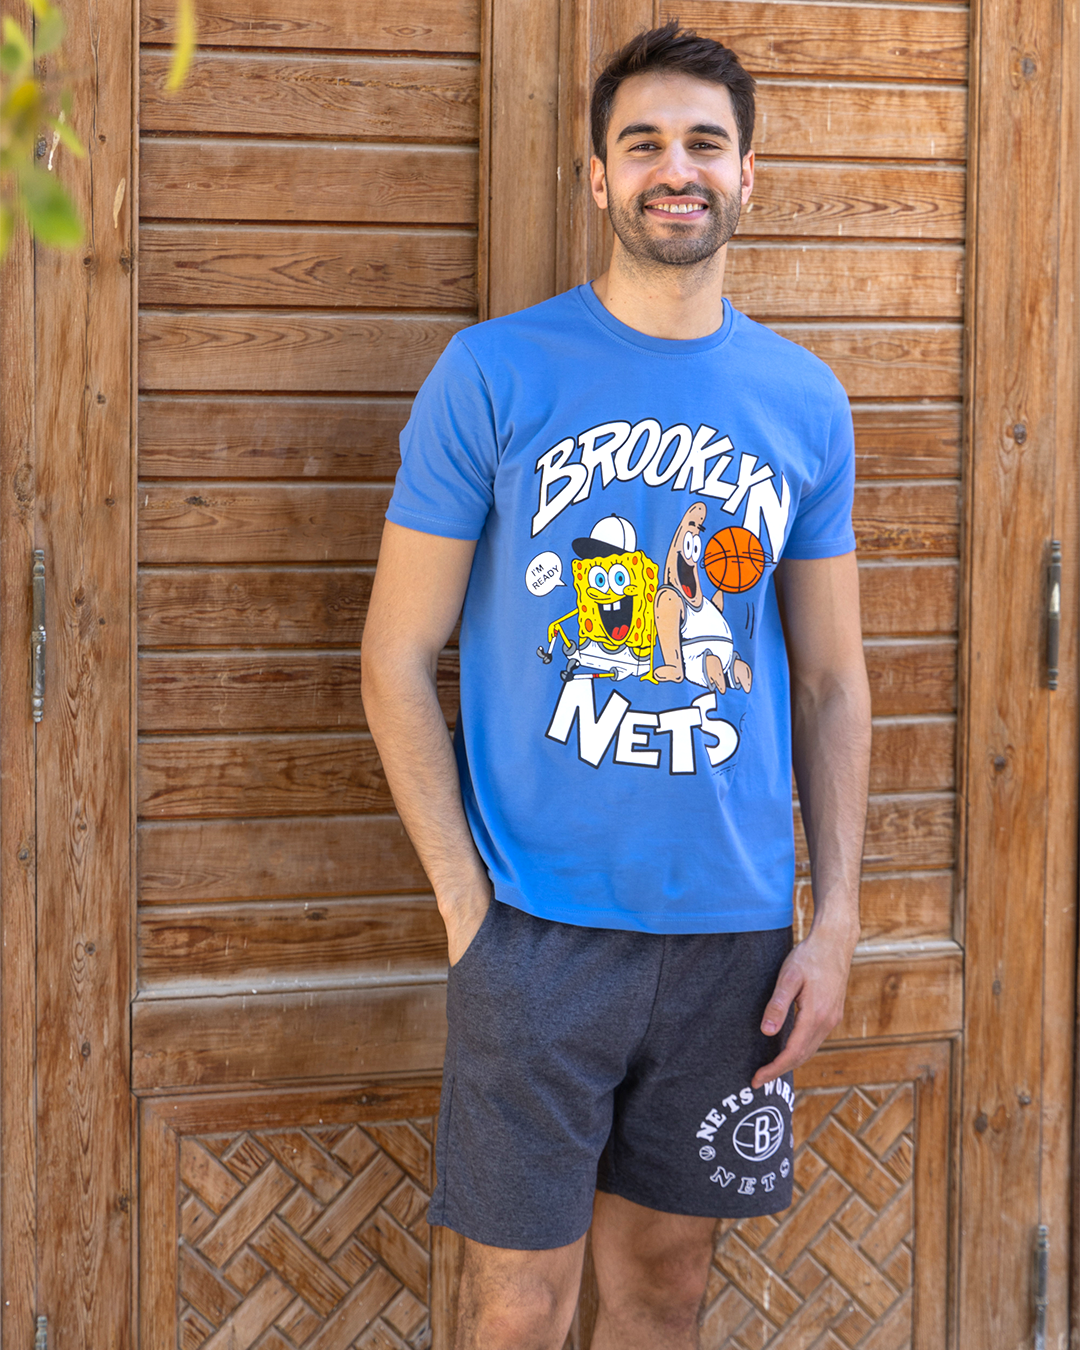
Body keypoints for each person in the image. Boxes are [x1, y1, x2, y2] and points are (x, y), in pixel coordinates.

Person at [361, 21, 871, 1349]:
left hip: (733, 942)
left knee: (665, 1295)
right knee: (518, 1307)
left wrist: (834, 924)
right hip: (533, 931)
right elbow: (395, 657)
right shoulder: (494, 373)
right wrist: (467, 909)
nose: (674, 168)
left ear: (748, 173)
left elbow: (831, 682)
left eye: (705, 142)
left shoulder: (804, 401)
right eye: (642, 143)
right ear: (597, 176)